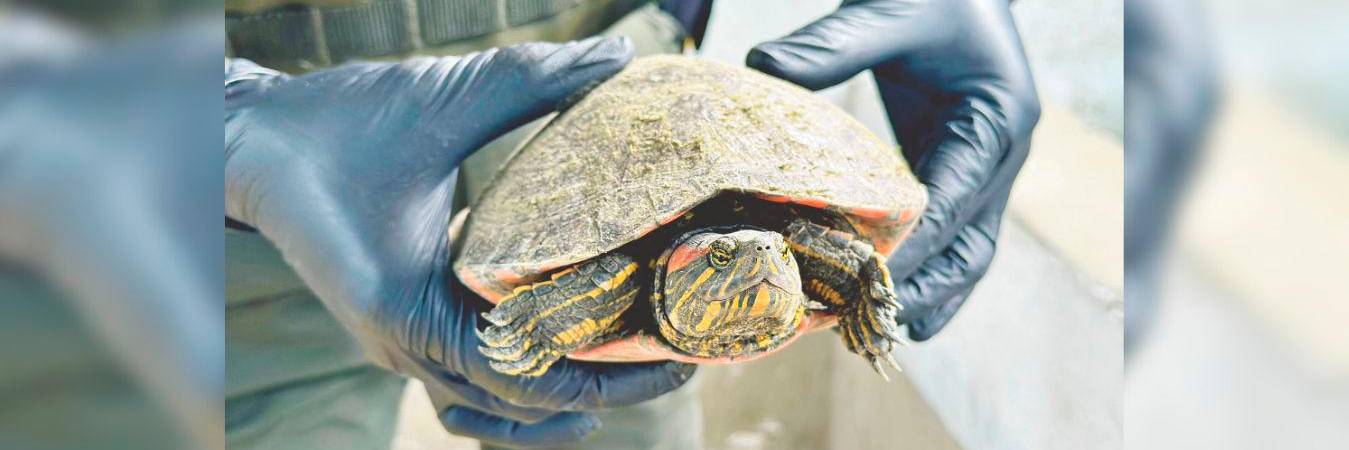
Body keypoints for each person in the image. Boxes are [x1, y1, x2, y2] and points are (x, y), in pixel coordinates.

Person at [224, 0, 1039, 448]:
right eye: (727, 260)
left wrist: (861, 287)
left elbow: (819, 252)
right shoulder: (617, 283)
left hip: (628, 67)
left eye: (762, 260)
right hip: (262, 137)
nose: (759, 258)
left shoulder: (771, 257)